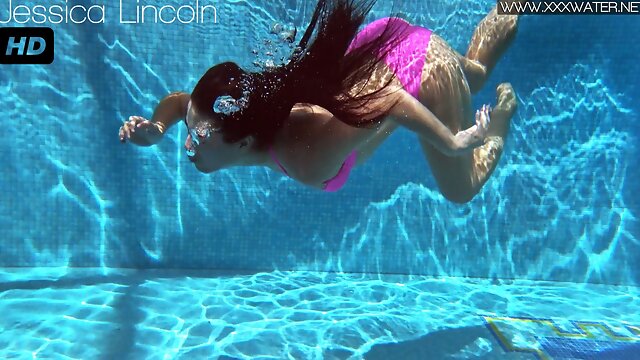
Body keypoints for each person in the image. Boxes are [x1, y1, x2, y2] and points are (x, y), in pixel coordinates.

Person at [119, 0, 518, 203]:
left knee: (461, 190)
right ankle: (510, 9)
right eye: (192, 133)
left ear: (242, 143)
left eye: (196, 137)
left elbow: (393, 100)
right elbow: (179, 103)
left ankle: (501, 119)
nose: (188, 144)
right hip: (380, 52)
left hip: (412, 70)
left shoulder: (305, 156)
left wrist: (452, 143)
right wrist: (156, 129)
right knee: (474, 75)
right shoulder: (246, 110)